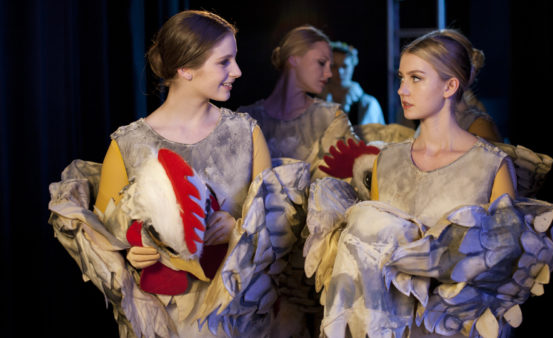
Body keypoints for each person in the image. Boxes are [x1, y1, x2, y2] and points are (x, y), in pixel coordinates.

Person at [305, 29, 553, 337]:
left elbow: (498, 275)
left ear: (450, 85)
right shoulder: (388, 161)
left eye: (416, 78)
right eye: (401, 77)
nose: (402, 90)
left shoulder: (490, 165)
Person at [48, 10, 309, 337]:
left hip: (239, 319)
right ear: (185, 68)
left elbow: (279, 230)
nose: (238, 71)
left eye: (235, 60)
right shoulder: (128, 145)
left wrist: (238, 228)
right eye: (224, 62)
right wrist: (132, 254)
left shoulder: (245, 134)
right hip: (165, 321)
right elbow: (106, 241)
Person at [238, 25, 357, 180]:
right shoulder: (246, 119)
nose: (328, 74)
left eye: (330, 65)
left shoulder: (332, 118)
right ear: (294, 59)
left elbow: (359, 172)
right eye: (321, 63)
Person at [319, 41, 386, 126]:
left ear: (352, 67)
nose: (339, 71)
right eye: (334, 66)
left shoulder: (367, 104)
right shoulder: (314, 103)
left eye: (344, 66)